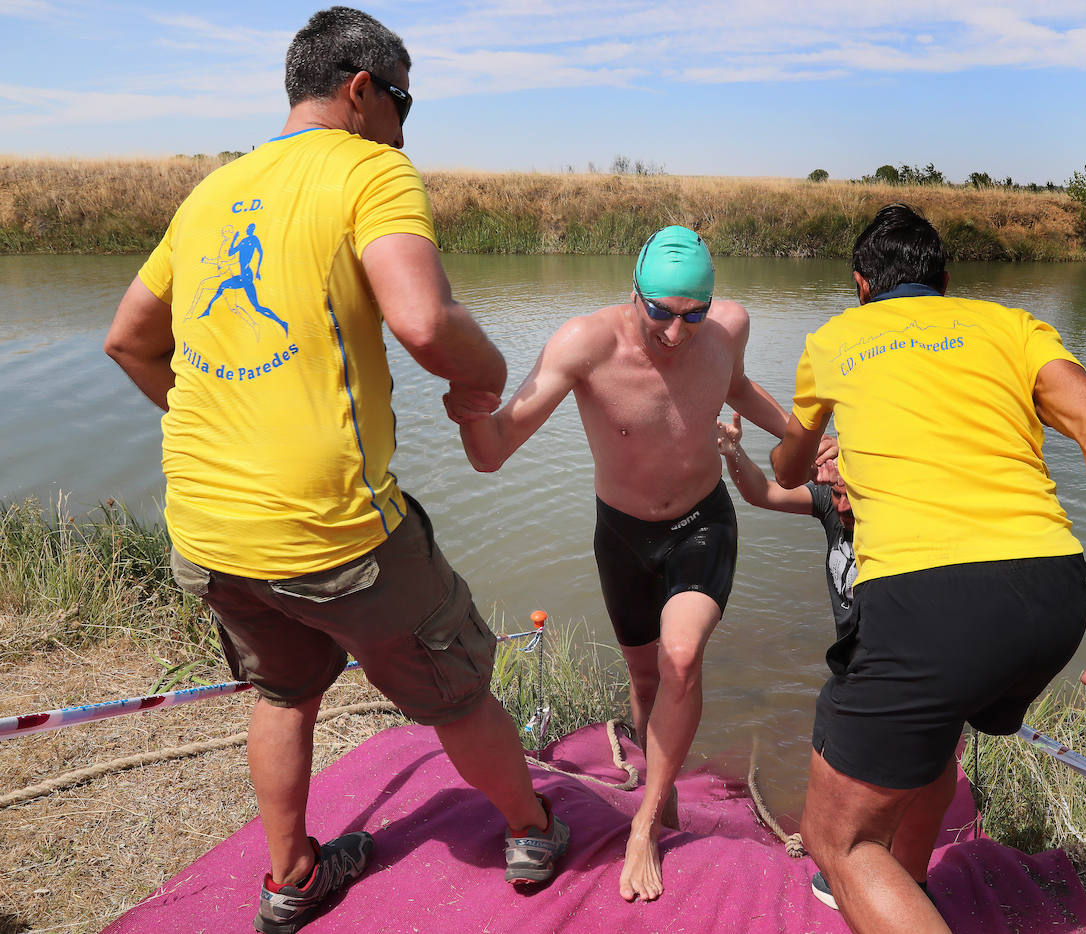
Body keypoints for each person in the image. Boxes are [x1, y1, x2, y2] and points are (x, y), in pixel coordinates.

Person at [104, 9, 567, 933]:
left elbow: (128, 340)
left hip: (207, 528)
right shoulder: (372, 168)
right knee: (459, 685)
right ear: (361, 90)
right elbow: (426, 322)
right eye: (403, 102)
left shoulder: (211, 193)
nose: (405, 127)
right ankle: (529, 827)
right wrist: (486, 377)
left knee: (283, 690)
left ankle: (291, 879)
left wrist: (227, 423)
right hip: (333, 527)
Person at [769, 204, 1086, 934]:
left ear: (860, 285)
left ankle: (877, 881)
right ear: (946, 282)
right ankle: (912, 882)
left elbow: (790, 462)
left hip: (928, 600)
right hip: (1055, 590)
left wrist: (796, 453)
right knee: (940, 725)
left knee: (840, 839)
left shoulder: (835, 339)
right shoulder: (1011, 326)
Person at [451, 225, 822, 903]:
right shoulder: (585, 344)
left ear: (712, 306)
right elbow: (494, 450)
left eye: (693, 316)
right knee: (645, 678)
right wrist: (470, 410)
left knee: (682, 656)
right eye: (660, 313)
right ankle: (664, 787)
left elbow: (735, 385)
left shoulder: (729, 328)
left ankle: (645, 826)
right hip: (621, 533)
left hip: (701, 524)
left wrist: (810, 438)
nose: (676, 333)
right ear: (635, 294)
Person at [715, 412, 855, 645]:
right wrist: (734, 451)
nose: (842, 507)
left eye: (852, 498)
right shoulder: (827, 502)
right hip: (849, 654)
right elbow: (761, 492)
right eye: (838, 494)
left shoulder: (898, 508)